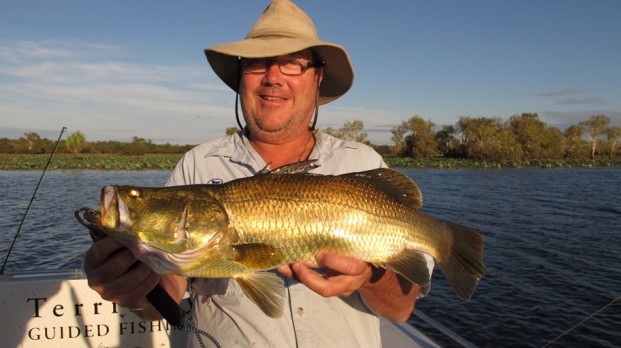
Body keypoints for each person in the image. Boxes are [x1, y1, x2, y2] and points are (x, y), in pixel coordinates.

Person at [84, 0, 434, 346]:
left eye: (293, 64)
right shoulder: (197, 165)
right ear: (241, 77)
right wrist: (134, 287)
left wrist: (368, 278)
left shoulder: (364, 163)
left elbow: (401, 308)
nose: (273, 77)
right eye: (257, 64)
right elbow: (169, 290)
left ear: (318, 78)